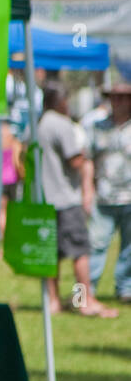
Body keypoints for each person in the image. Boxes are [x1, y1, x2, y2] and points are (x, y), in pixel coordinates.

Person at [37, 84, 117, 317]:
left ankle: (52, 302)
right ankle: (84, 301)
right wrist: (88, 155)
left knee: (50, 254)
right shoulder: (61, 124)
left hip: (43, 199)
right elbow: (74, 160)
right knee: (80, 253)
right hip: (65, 198)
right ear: (61, 100)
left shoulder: (39, 123)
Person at [88, 84, 131, 303]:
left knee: (129, 248)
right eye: (116, 97)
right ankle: (86, 292)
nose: (120, 102)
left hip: (129, 197)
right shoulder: (97, 127)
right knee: (94, 245)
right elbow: (87, 161)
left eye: (124, 98)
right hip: (103, 196)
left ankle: (125, 290)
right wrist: (87, 192)